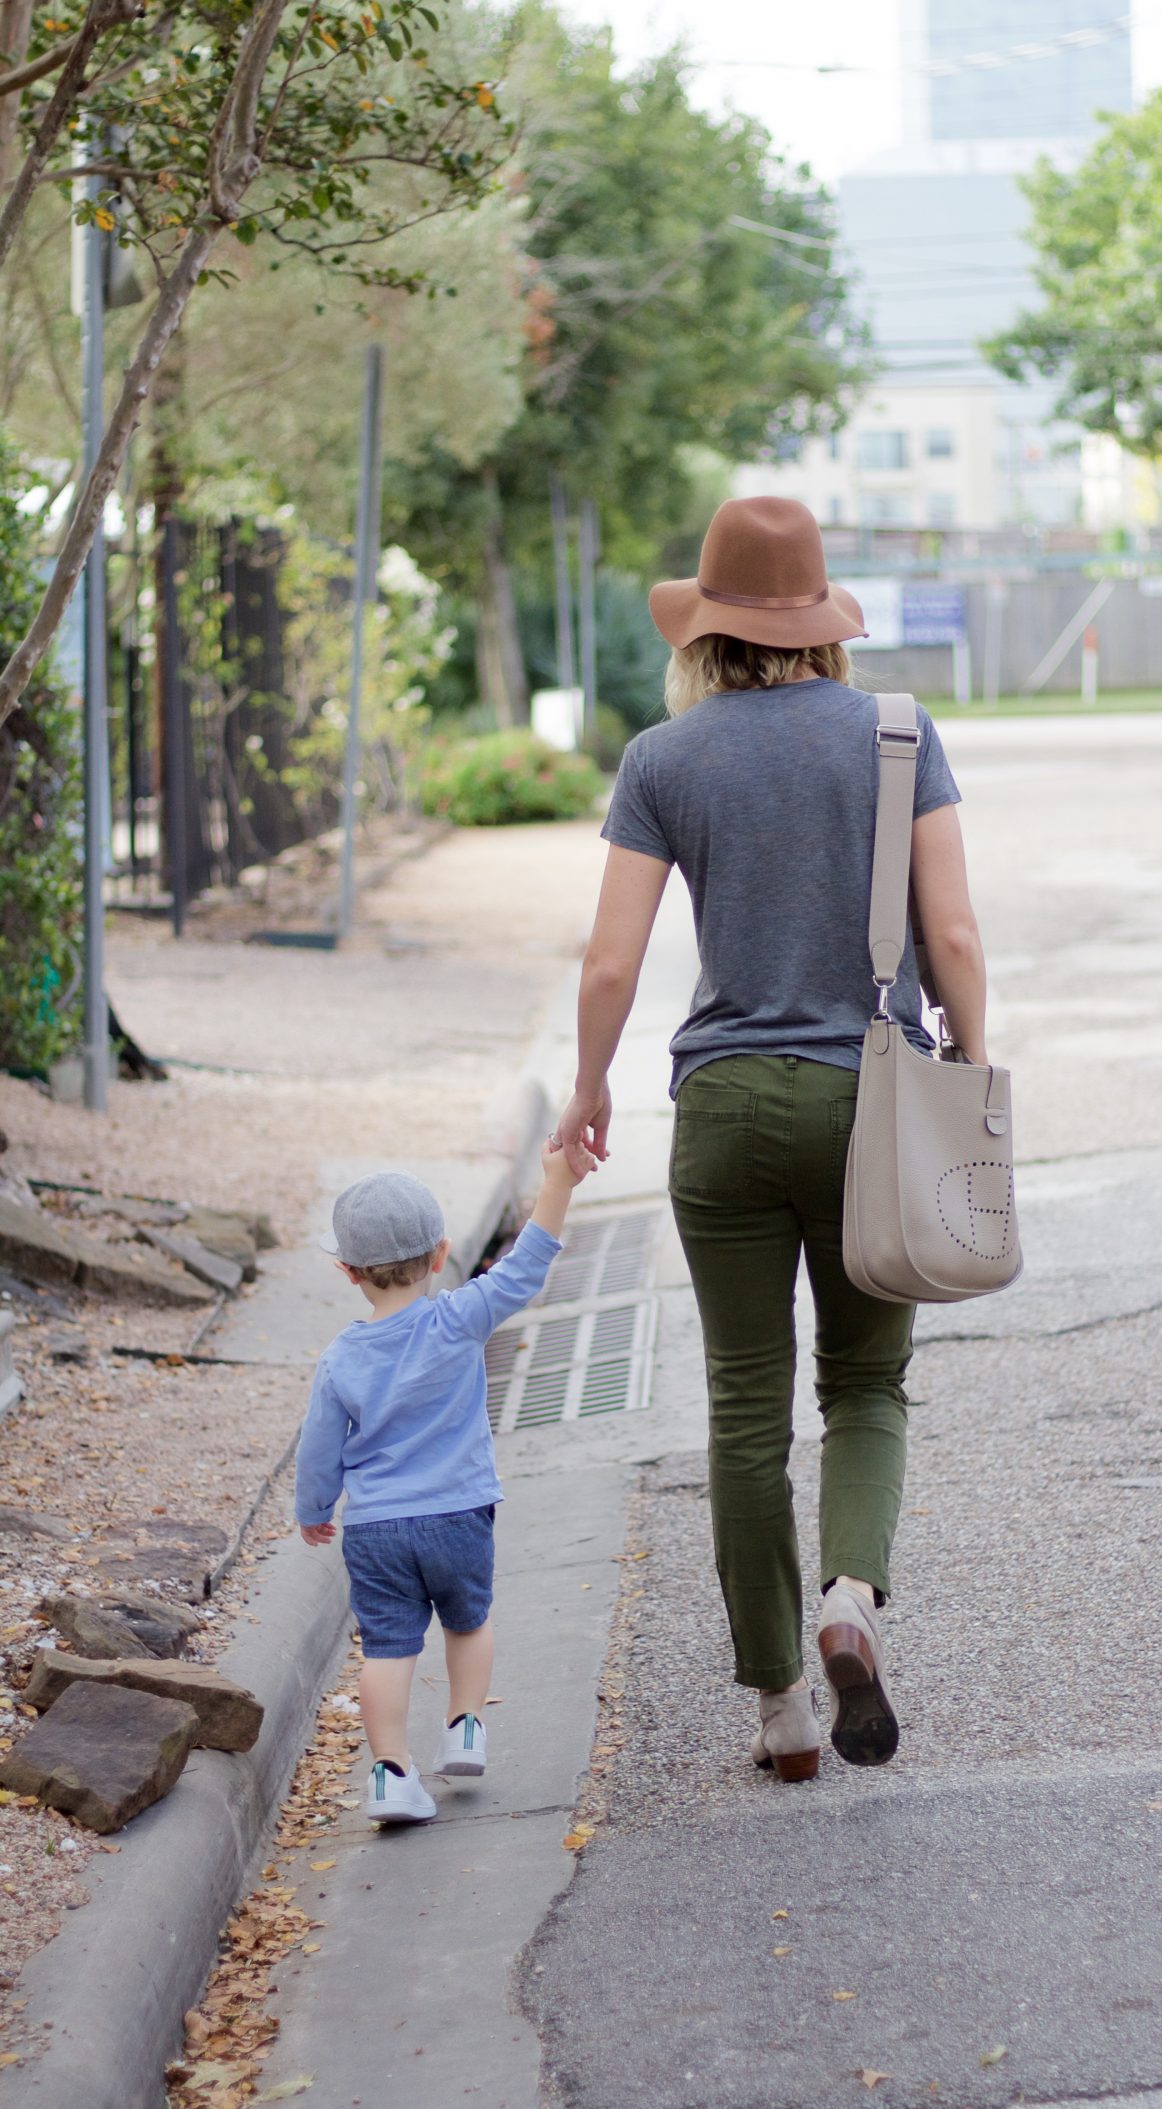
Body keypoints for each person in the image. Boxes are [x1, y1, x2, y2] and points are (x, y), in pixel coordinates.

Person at [555, 495, 988, 1782]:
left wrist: (588, 1090)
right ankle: (852, 1595)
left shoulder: (664, 760)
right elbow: (952, 935)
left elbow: (610, 960)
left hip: (726, 1110)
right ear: (821, 624)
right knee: (863, 1385)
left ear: (710, 629)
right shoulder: (899, 735)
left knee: (745, 1406)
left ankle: (781, 1708)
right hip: (872, 1101)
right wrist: (968, 1056)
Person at [294, 1152, 593, 1823]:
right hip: (458, 1515)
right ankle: (464, 1727)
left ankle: (390, 1773)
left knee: (388, 1650)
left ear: (348, 1272)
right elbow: (524, 1269)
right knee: (468, 1621)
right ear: (440, 1256)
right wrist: (556, 1184)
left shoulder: (340, 1356)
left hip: (375, 1530)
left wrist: (314, 1509)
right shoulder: (458, 1317)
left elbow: (319, 1448)